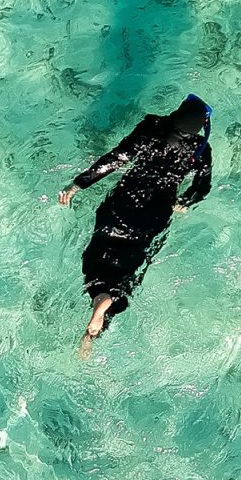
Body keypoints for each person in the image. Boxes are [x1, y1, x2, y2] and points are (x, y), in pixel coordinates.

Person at [59, 94, 212, 354]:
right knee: (127, 273)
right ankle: (101, 314)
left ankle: (100, 296)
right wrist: (184, 202)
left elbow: (116, 158)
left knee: (98, 257)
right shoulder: (201, 150)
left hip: (122, 205)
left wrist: (78, 184)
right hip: (152, 219)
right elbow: (202, 187)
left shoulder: (151, 128)